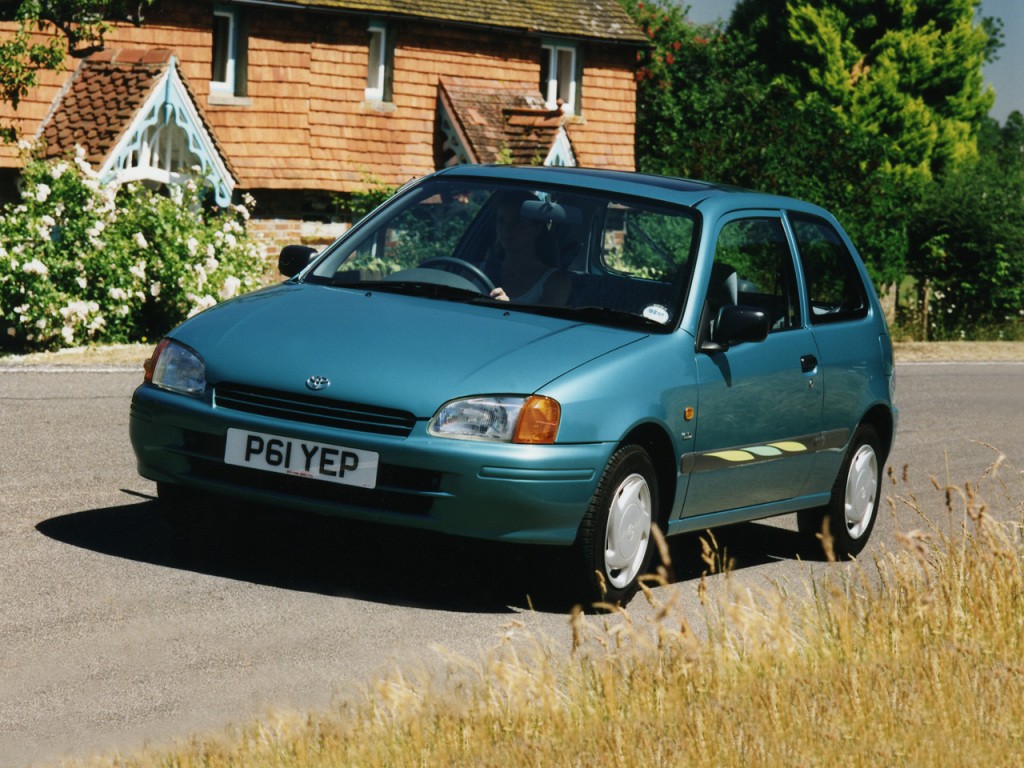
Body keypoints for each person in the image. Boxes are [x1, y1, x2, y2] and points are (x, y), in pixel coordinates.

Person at [486, 197, 570, 304]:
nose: (507, 228)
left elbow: (543, 320)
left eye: (517, 222)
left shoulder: (555, 283)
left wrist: (508, 308)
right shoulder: (474, 272)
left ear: (537, 228)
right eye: (501, 221)